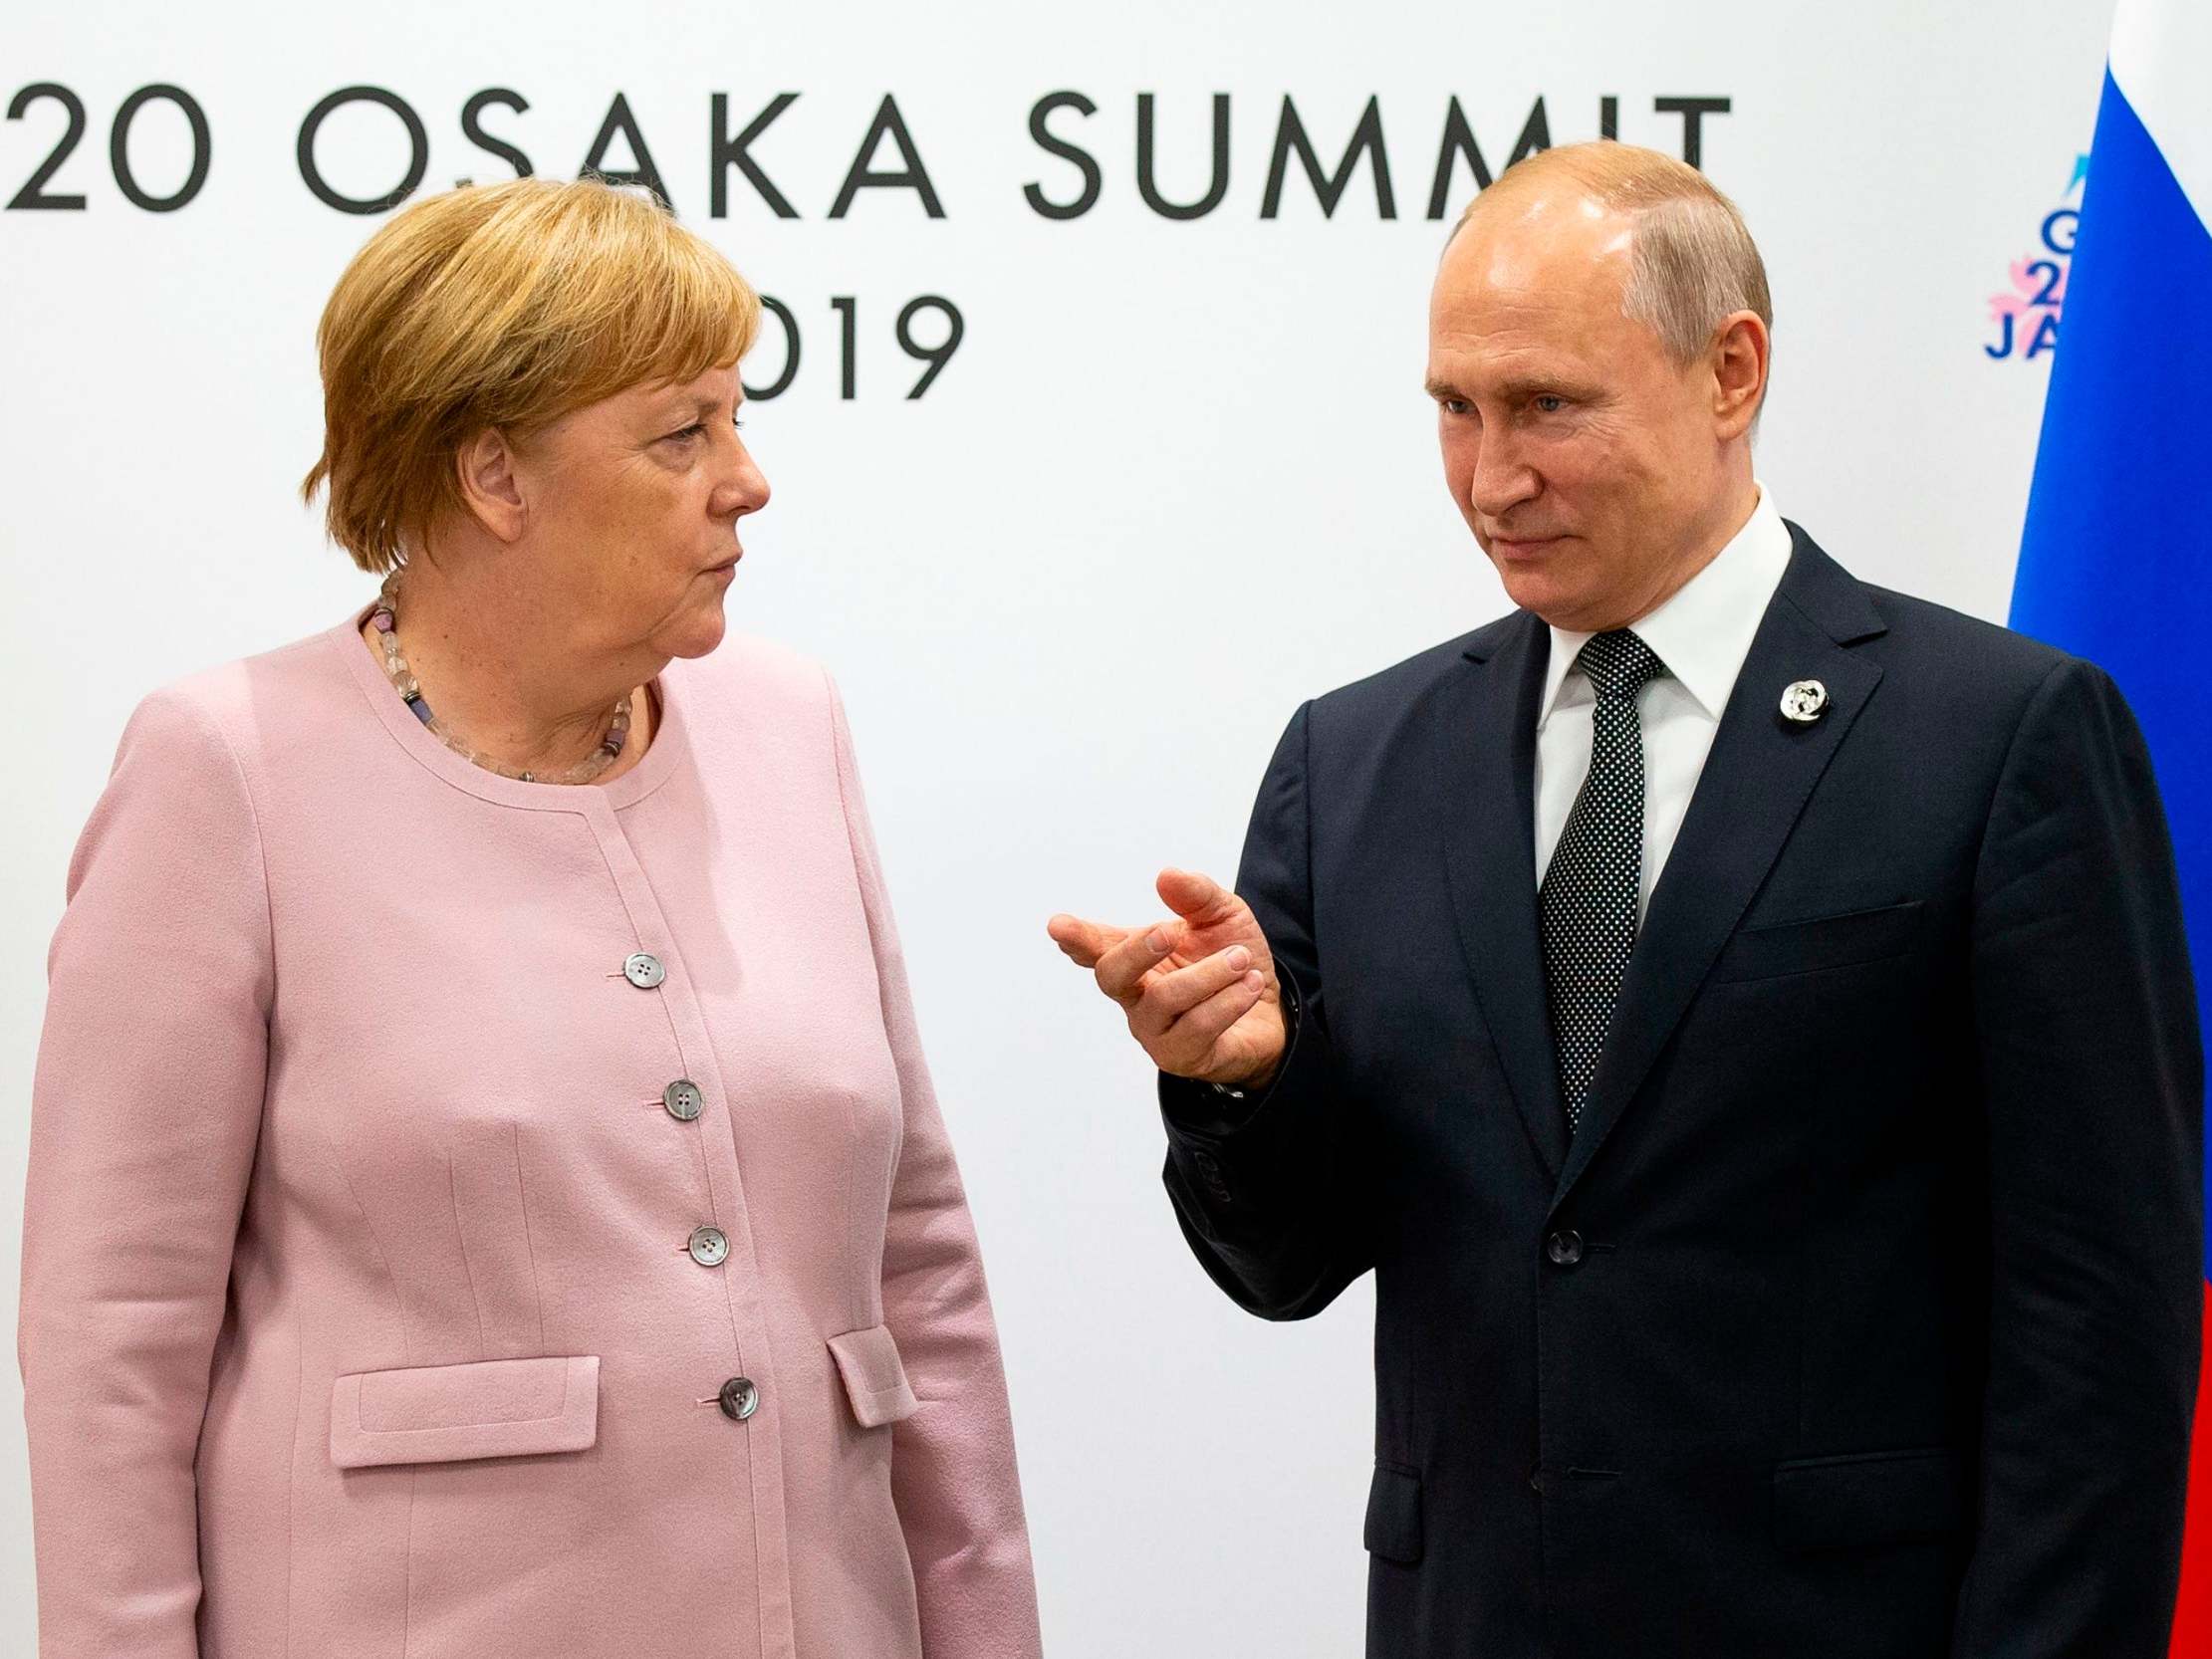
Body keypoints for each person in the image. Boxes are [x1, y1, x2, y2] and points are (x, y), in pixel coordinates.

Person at [1050, 141, 2202, 1656]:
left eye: (1544, 406)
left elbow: (2098, 1313)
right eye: (1454, 410)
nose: (1490, 476)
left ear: (1730, 372)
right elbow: (1288, 1260)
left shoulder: (1998, 737)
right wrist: (1245, 1085)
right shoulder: (1354, 760)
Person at [20, 176, 1042, 1658]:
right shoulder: (224, 768)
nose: (745, 477)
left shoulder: (788, 721)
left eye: (737, 420)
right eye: (683, 431)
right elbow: (109, 1336)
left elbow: (918, 1260)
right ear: (494, 476)